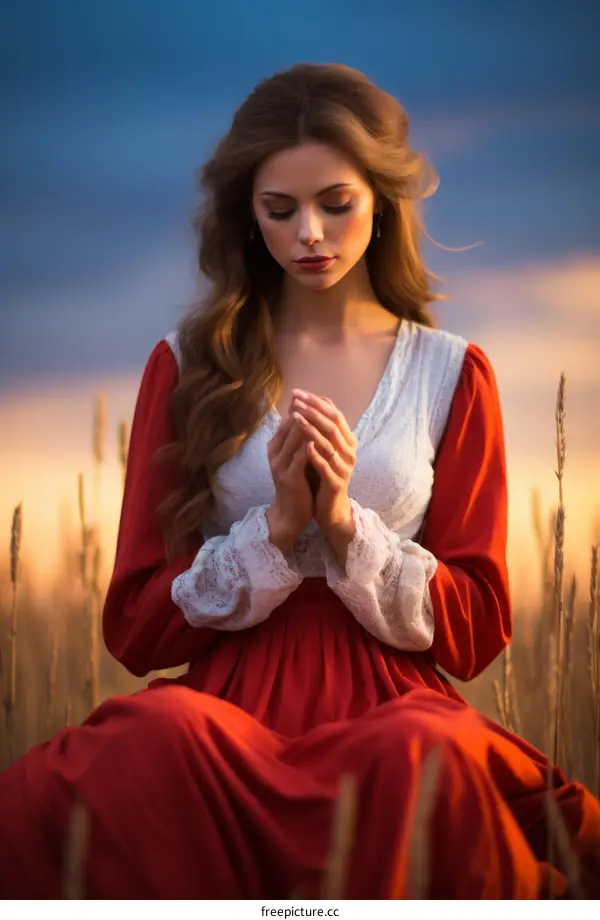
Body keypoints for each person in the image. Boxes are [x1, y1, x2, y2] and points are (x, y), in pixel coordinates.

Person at [0, 62, 599, 900]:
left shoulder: (450, 371)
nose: (309, 233)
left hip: (394, 696)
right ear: (248, 213)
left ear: (382, 199)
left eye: (335, 203)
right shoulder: (186, 365)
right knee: (158, 741)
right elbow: (136, 625)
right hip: (228, 699)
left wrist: (350, 525)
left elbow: (478, 628)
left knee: (417, 755)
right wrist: (276, 530)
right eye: (279, 209)